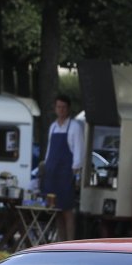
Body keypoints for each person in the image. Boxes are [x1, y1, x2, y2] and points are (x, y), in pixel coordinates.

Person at [41, 93, 83, 241]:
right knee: (56, 211)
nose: (61, 110)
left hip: (66, 174)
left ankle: (70, 243)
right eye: (59, 107)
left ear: (68, 109)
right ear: (55, 108)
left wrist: (75, 173)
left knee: (67, 211)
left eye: (64, 107)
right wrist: (45, 167)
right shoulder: (52, 127)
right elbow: (49, 151)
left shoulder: (75, 127)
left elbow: (78, 152)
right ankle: (61, 242)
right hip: (52, 174)